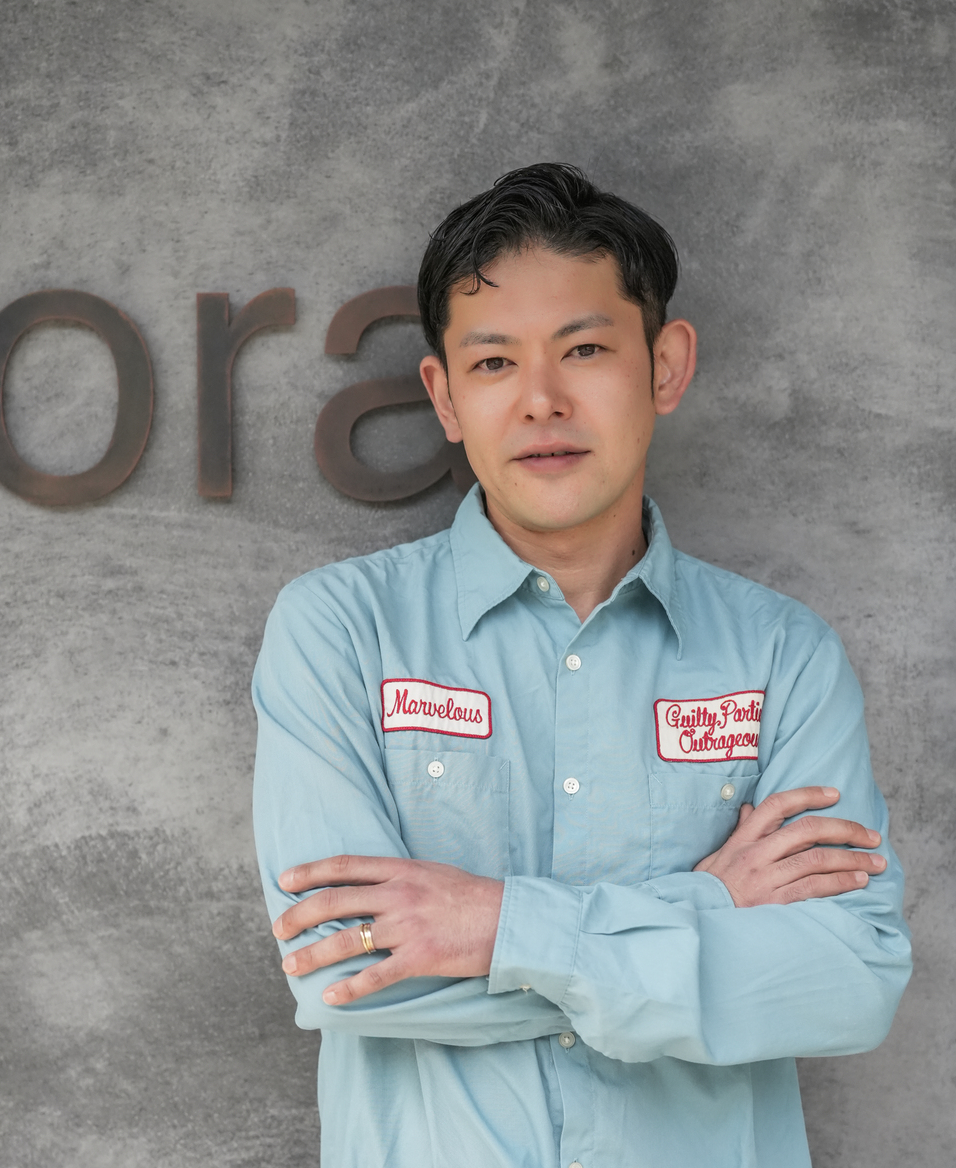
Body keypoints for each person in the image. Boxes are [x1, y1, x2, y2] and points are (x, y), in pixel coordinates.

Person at [251, 163, 911, 1168]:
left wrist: (491, 925)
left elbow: (847, 982)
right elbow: (347, 972)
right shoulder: (340, 632)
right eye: (493, 363)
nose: (541, 401)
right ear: (444, 396)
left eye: (586, 349)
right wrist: (710, 906)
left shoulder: (782, 656)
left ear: (665, 367)